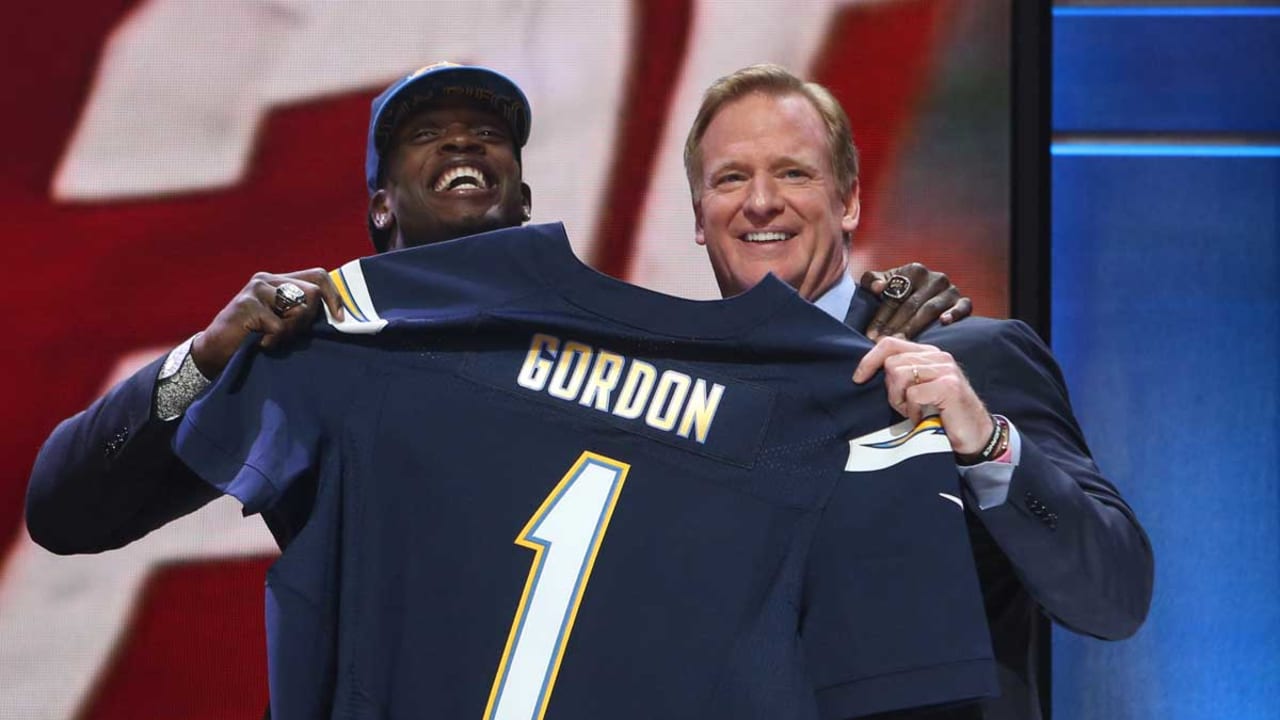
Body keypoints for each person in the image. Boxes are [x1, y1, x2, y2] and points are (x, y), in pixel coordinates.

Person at [26, 63, 968, 555]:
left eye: (487, 135)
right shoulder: (315, 342)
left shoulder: (616, 344)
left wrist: (846, 335)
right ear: (380, 205)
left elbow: (752, 466)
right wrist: (204, 358)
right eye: (428, 136)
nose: (464, 145)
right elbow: (67, 513)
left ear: (523, 196)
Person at [680, 64, 1154, 720]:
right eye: (731, 178)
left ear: (849, 202)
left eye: (793, 173)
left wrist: (986, 444)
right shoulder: (672, 406)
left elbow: (1115, 597)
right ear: (699, 216)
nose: (760, 201)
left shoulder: (972, 360)